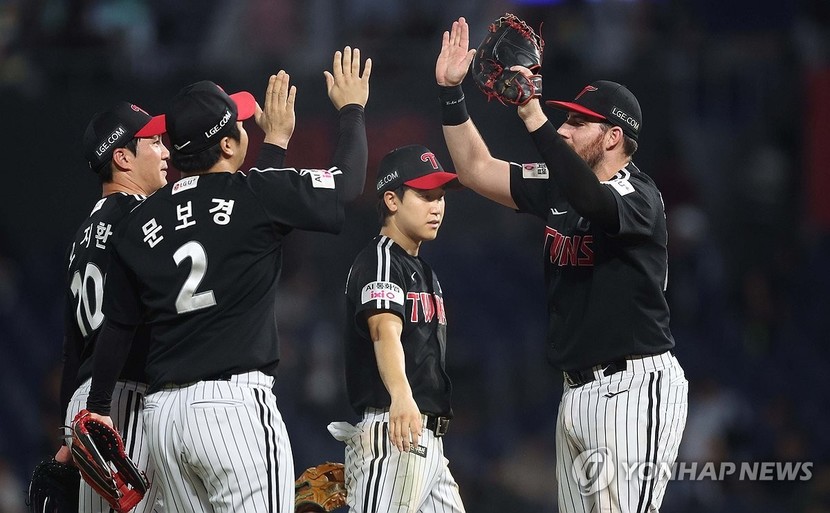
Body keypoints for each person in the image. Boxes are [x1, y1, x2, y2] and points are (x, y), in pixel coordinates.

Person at [85, 46, 371, 513]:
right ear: (228, 145)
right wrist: (352, 110)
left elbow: (118, 326)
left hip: (163, 420)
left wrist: (97, 406)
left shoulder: (137, 222)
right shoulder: (256, 193)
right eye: (238, 125)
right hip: (232, 406)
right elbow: (348, 183)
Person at [434, 17, 689, 512]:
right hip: (575, 392)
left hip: (632, 387)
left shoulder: (640, 196)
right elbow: (476, 170)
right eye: (564, 120)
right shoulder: (560, 184)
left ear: (613, 137)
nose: (565, 130)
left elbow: (593, 201)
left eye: (578, 123)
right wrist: (450, 94)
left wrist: (532, 113)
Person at [328, 144, 466, 513]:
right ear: (392, 199)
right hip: (396, 428)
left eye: (440, 196)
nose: (436, 207)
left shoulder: (422, 270)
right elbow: (383, 331)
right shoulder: (381, 259)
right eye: (424, 196)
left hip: (424, 436)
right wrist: (401, 396)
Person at [59, 101, 169, 513]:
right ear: (122, 157)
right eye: (154, 142)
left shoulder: (82, 235)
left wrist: (66, 432)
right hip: (120, 401)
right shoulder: (141, 220)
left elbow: (72, 348)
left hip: (88, 400)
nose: (166, 152)